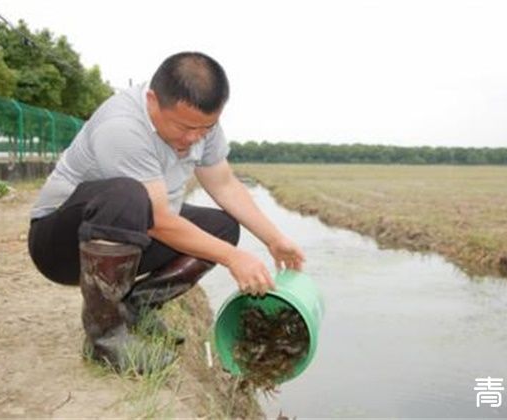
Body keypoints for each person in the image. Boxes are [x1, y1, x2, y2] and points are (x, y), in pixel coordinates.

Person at [27, 51, 305, 372]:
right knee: (128, 194)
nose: (193, 138)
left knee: (222, 228)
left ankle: (136, 310)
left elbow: (225, 184)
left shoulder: (201, 125)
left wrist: (274, 239)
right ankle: (106, 339)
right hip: (60, 245)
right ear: (152, 100)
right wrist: (233, 258)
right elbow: (159, 220)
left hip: (130, 234)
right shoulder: (122, 126)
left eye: (205, 128)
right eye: (184, 127)